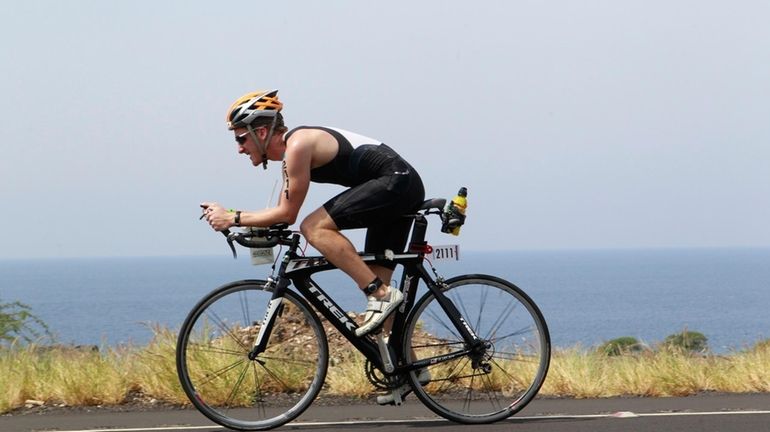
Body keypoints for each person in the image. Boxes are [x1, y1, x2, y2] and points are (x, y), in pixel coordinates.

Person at [201, 89, 425, 338]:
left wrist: (231, 217)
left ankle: (381, 295)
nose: (239, 149)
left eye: (240, 139)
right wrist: (236, 220)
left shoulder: (297, 145)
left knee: (314, 228)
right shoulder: (290, 157)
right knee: (379, 303)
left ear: (261, 132)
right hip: (394, 189)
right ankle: (409, 370)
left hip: (395, 183)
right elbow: (277, 215)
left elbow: (287, 215)